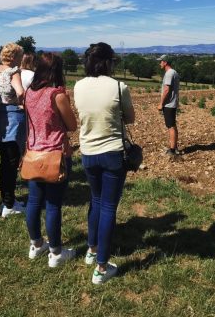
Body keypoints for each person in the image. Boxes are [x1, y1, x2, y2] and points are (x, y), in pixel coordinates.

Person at [74, 42, 134, 284]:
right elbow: (130, 118)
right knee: (109, 206)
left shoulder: (78, 86)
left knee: (95, 200)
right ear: (108, 62)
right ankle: (101, 268)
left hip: (88, 152)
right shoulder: (119, 87)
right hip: (112, 153)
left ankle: (91, 249)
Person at [24, 53, 77, 267]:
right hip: (56, 155)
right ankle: (56, 252)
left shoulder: (29, 92)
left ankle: (36, 244)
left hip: (33, 153)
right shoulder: (57, 95)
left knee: (34, 201)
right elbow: (72, 125)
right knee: (53, 204)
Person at [0, 42, 26, 218]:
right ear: (15, 57)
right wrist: (23, 102)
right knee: (11, 163)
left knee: (5, 162)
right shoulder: (13, 72)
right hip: (12, 117)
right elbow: (20, 92)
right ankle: (9, 205)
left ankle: (8, 200)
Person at [157, 55, 181, 156]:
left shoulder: (169, 73)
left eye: (161, 62)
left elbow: (166, 90)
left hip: (169, 104)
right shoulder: (174, 72)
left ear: (165, 62)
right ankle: (174, 147)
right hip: (173, 103)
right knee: (173, 125)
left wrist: (161, 103)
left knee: (170, 126)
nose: (160, 64)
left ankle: (172, 150)